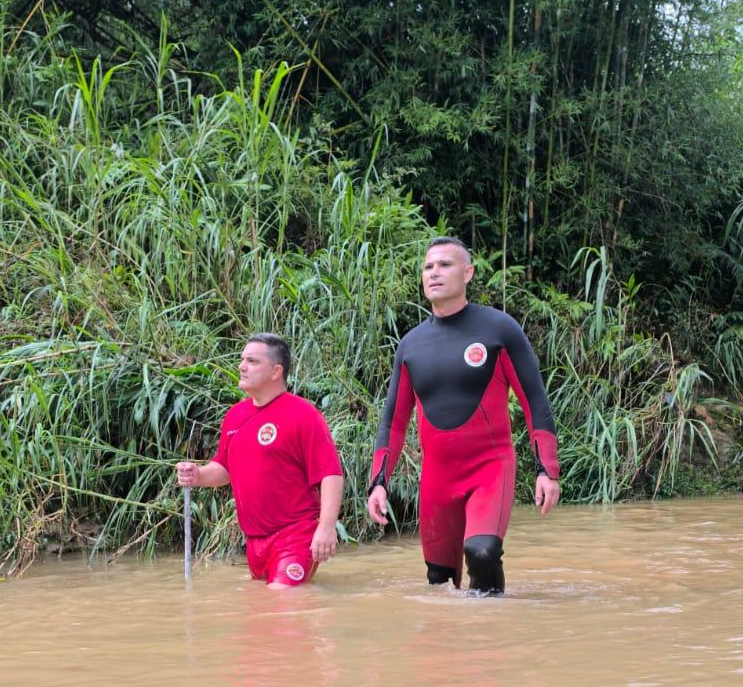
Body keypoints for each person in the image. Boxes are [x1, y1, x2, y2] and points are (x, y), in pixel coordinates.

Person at [366, 237, 561, 594]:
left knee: (482, 552)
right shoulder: (410, 345)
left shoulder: (499, 329)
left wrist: (547, 470)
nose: (434, 273)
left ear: (468, 272)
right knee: (439, 583)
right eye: (428, 267)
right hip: (438, 479)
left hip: (490, 469)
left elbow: (535, 402)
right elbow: (392, 422)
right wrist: (378, 481)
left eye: (445, 265)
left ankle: (489, 641)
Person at [177, 334, 344, 586]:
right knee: (260, 614)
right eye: (242, 359)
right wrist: (198, 475)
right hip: (254, 542)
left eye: (252, 361)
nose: (241, 366)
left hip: (295, 535)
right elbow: (224, 468)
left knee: (279, 605)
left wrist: (327, 527)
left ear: (276, 371)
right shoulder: (235, 416)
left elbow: (330, 473)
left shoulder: (303, 414)